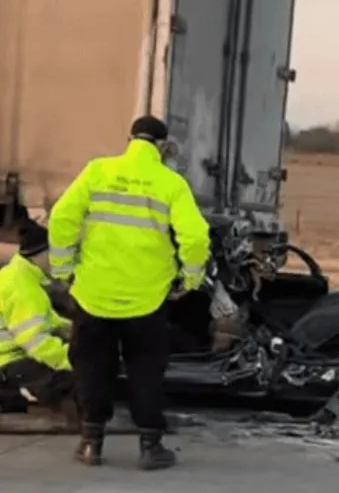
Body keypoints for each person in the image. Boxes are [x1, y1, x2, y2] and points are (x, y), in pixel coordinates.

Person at [48, 115, 210, 469]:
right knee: (146, 370)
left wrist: (63, 271)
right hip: (146, 298)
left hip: (93, 293)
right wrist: (191, 278)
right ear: (163, 146)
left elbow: (61, 219)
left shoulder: (97, 172)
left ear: (129, 139)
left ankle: (91, 444)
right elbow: (196, 238)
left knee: (92, 366)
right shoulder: (171, 183)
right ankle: (150, 447)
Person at [0, 219, 78, 426]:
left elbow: (46, 319)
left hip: (14, 353)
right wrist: (73, 360)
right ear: (42, 255)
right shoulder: (22, 288)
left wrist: (74, 331)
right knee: (74, 385)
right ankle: (19, 392)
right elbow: (37, 342)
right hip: (9, 360)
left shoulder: (24, 276)